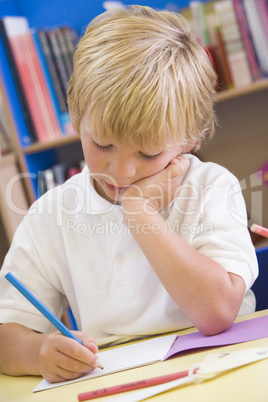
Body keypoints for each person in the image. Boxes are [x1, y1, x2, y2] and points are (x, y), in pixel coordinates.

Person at [0, 5, 258, 383]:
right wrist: (37, 352)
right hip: (113, 383)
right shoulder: (50, 216)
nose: (120, 171)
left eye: (148, 154)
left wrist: (141, 213)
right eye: (103, 145)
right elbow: (6, 334)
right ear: (76, 116)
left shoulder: (211, 188)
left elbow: (217, 313)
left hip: (220, 373)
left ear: (190, 138)